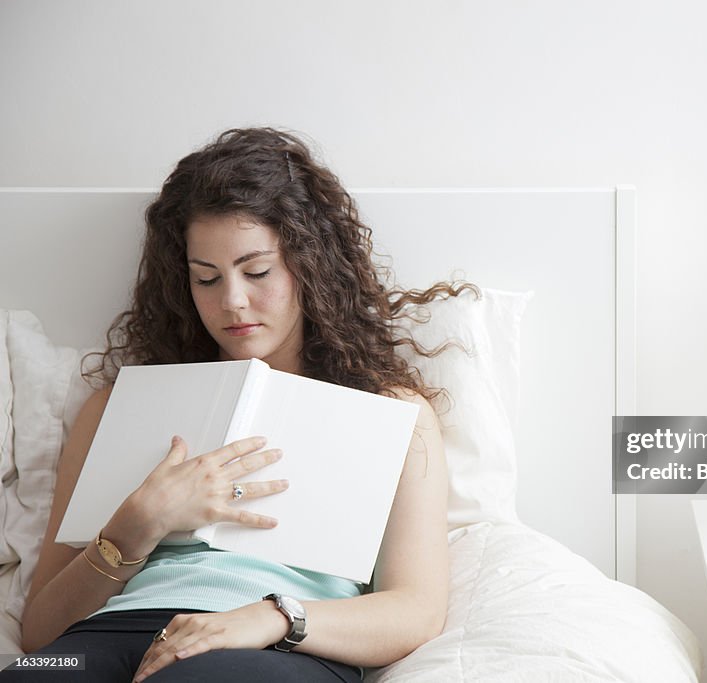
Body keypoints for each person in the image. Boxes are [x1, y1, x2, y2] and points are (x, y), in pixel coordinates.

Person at [4, 128, 464, 682]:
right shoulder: (114, 408)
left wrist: (274, 618)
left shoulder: (390, 414)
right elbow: (39, 636)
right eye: (206, 278)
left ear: (308, 265)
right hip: (106, 636)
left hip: (274, 646)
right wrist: (136, 526)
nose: (233, 302)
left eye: (257, 272)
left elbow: (416, 610)